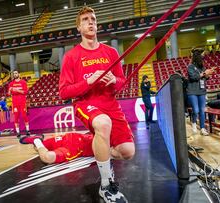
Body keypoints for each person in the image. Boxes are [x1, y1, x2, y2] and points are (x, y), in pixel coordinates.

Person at [59, 6, 134, 203]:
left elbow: (122, 82)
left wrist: (114, 82)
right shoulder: (71, 56)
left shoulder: (110, 51)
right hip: (86, 104)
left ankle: (92, 144)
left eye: (93, 19)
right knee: (103, 124)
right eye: (85, 19)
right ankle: (106, 185)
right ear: (78, 27)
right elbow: (64, 92)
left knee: (127, 152)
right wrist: (88, 82)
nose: (90, 22)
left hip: (110, 104)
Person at [187, 48, 215, 135]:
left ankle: (202, 128)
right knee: (195, 110)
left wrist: (209, 74)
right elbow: (193, 77)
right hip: (192, 91)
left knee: (202, 110)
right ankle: (194, 122)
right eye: (202, 56)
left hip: (201, 91)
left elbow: (205, 77)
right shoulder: (190, 67)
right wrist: (203, 73)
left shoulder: (202, 67)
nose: (203, 58)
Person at [19, 132, 94, 164]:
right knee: (45, 156)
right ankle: (37, 140)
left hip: (73, 137)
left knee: (40, 149)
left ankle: (36, 140)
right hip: (74, 146)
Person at [8, 70, 30, 137]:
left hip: (22, 102)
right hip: (15, 103)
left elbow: (25, 92)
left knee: (24, 116)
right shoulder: (11, 83)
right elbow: (9, 94)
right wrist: (10, 90)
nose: (15, 74)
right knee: (16, 117)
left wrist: (16, 90)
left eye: (16, 73)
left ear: (19, 74)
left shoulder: (23, 82)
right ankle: (18, 132)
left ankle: (27, 130)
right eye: (14, 73)